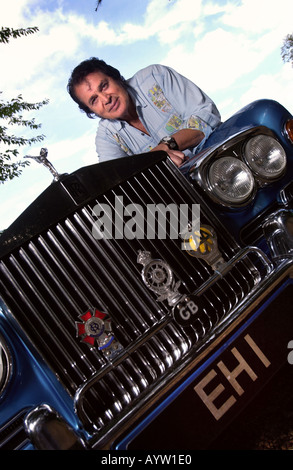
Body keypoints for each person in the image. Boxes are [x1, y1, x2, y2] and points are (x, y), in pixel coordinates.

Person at [67, 58, 221, 167]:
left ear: (117, 78)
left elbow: (206, 116)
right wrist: (154, 159)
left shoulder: (155, 77)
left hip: (221, 158)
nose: (105, 99)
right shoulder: (107, 136)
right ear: (91, 111)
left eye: (104, 86)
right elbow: (118, 178)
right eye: (94, 100)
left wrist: (165, 148)